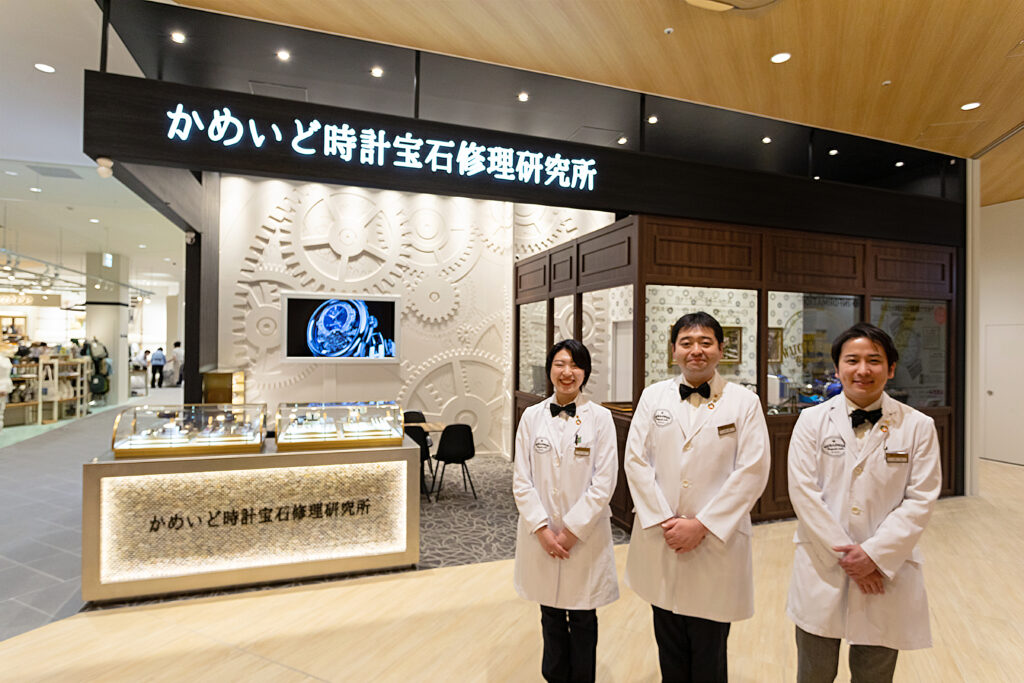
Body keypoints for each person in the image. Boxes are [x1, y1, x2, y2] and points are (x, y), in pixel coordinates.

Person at [786, 322, 941, 683]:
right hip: (822, 563)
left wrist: (874, 555)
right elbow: (804, 492)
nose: (862, 370)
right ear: (837, 368)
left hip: (886, 569)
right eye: (852, 360)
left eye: (874, 360)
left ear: (891, 368)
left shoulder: (918, 426)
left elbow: (920, 499)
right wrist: (848, 557)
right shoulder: (811, 421)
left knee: (875, 672)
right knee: (813, 671)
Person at [624, 311, 770, 683]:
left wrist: (702, 525)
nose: (696, 351)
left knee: (709, 650)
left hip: (716, 543)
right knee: (669, 642)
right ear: (673, 350)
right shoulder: (653, 396)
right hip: (662, 538)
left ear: (721, 349)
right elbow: (636, 461)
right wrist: (665, 521)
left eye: (706, 342)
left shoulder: (744, 402)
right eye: (686, 342)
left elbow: (752, 471)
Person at [513, 339, 619, 683]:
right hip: (542, 535)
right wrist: (542, 529)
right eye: (560, 364)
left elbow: (604, 482)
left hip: (585, 537)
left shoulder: (601, 418)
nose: (567, 372)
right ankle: (555, 676)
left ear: (585, 372)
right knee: (551, 613)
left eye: (575, 365)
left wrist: (572, 531)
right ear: (550, 370)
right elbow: (522, 480)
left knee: (584, 615)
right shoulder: (531, 417)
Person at [0, 345, 13, 431]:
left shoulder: (4, 360)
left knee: (1, 411)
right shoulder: (6, 360)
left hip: (3, 386)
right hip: (5, 386)